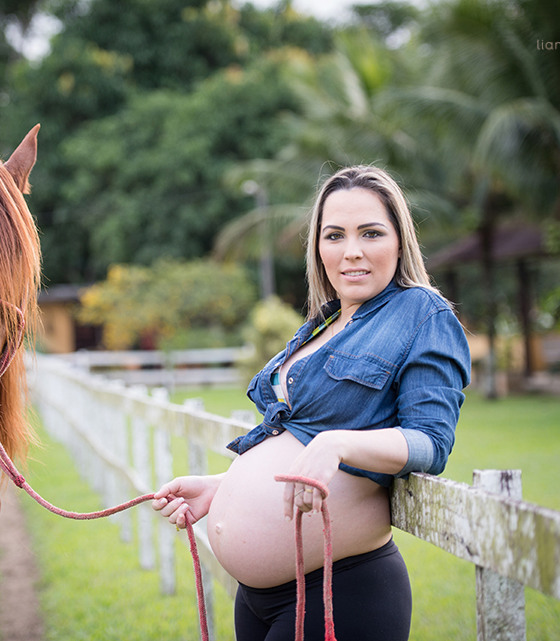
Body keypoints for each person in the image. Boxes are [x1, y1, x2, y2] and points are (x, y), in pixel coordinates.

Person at [152, 165, 470, 641]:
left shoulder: (423, 313)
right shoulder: (322, 325)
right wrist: (222, 486)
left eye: (371, 233)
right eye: (335, 235)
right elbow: (297, 439)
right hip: (259, 599)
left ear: (400, 241)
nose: (352, 251)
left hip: (339, 592)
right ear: (318, 248)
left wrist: (338, 445)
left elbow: (431, 442)